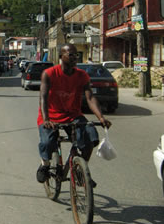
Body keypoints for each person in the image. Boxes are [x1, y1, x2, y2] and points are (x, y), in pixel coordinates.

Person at [36, 44, 112, 185]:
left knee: (90, 137)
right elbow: (43, 98)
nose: (74, 58)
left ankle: (81, 170)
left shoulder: (82, 75)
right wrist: (46, 119)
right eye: (70, 54)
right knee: (47, 143)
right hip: (51, 116)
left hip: (73, 115)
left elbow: (90, 98)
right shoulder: (49, 73)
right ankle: (45, 165)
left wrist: (101, 117)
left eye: (76, 55)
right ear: (61, 57)